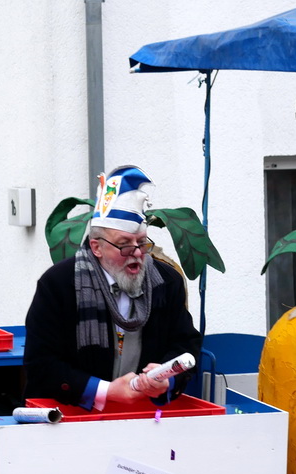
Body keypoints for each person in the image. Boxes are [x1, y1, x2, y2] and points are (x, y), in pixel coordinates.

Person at [24, 165, 202, 410]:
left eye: (141, 242)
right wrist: (106, 391)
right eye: (124, 244)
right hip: (71, 414)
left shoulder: (165, 281)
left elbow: (186, 344)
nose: (137, 253)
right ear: (97, 247)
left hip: (144, 412)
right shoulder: (59, 284)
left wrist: (166, 379)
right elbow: (41, 364)